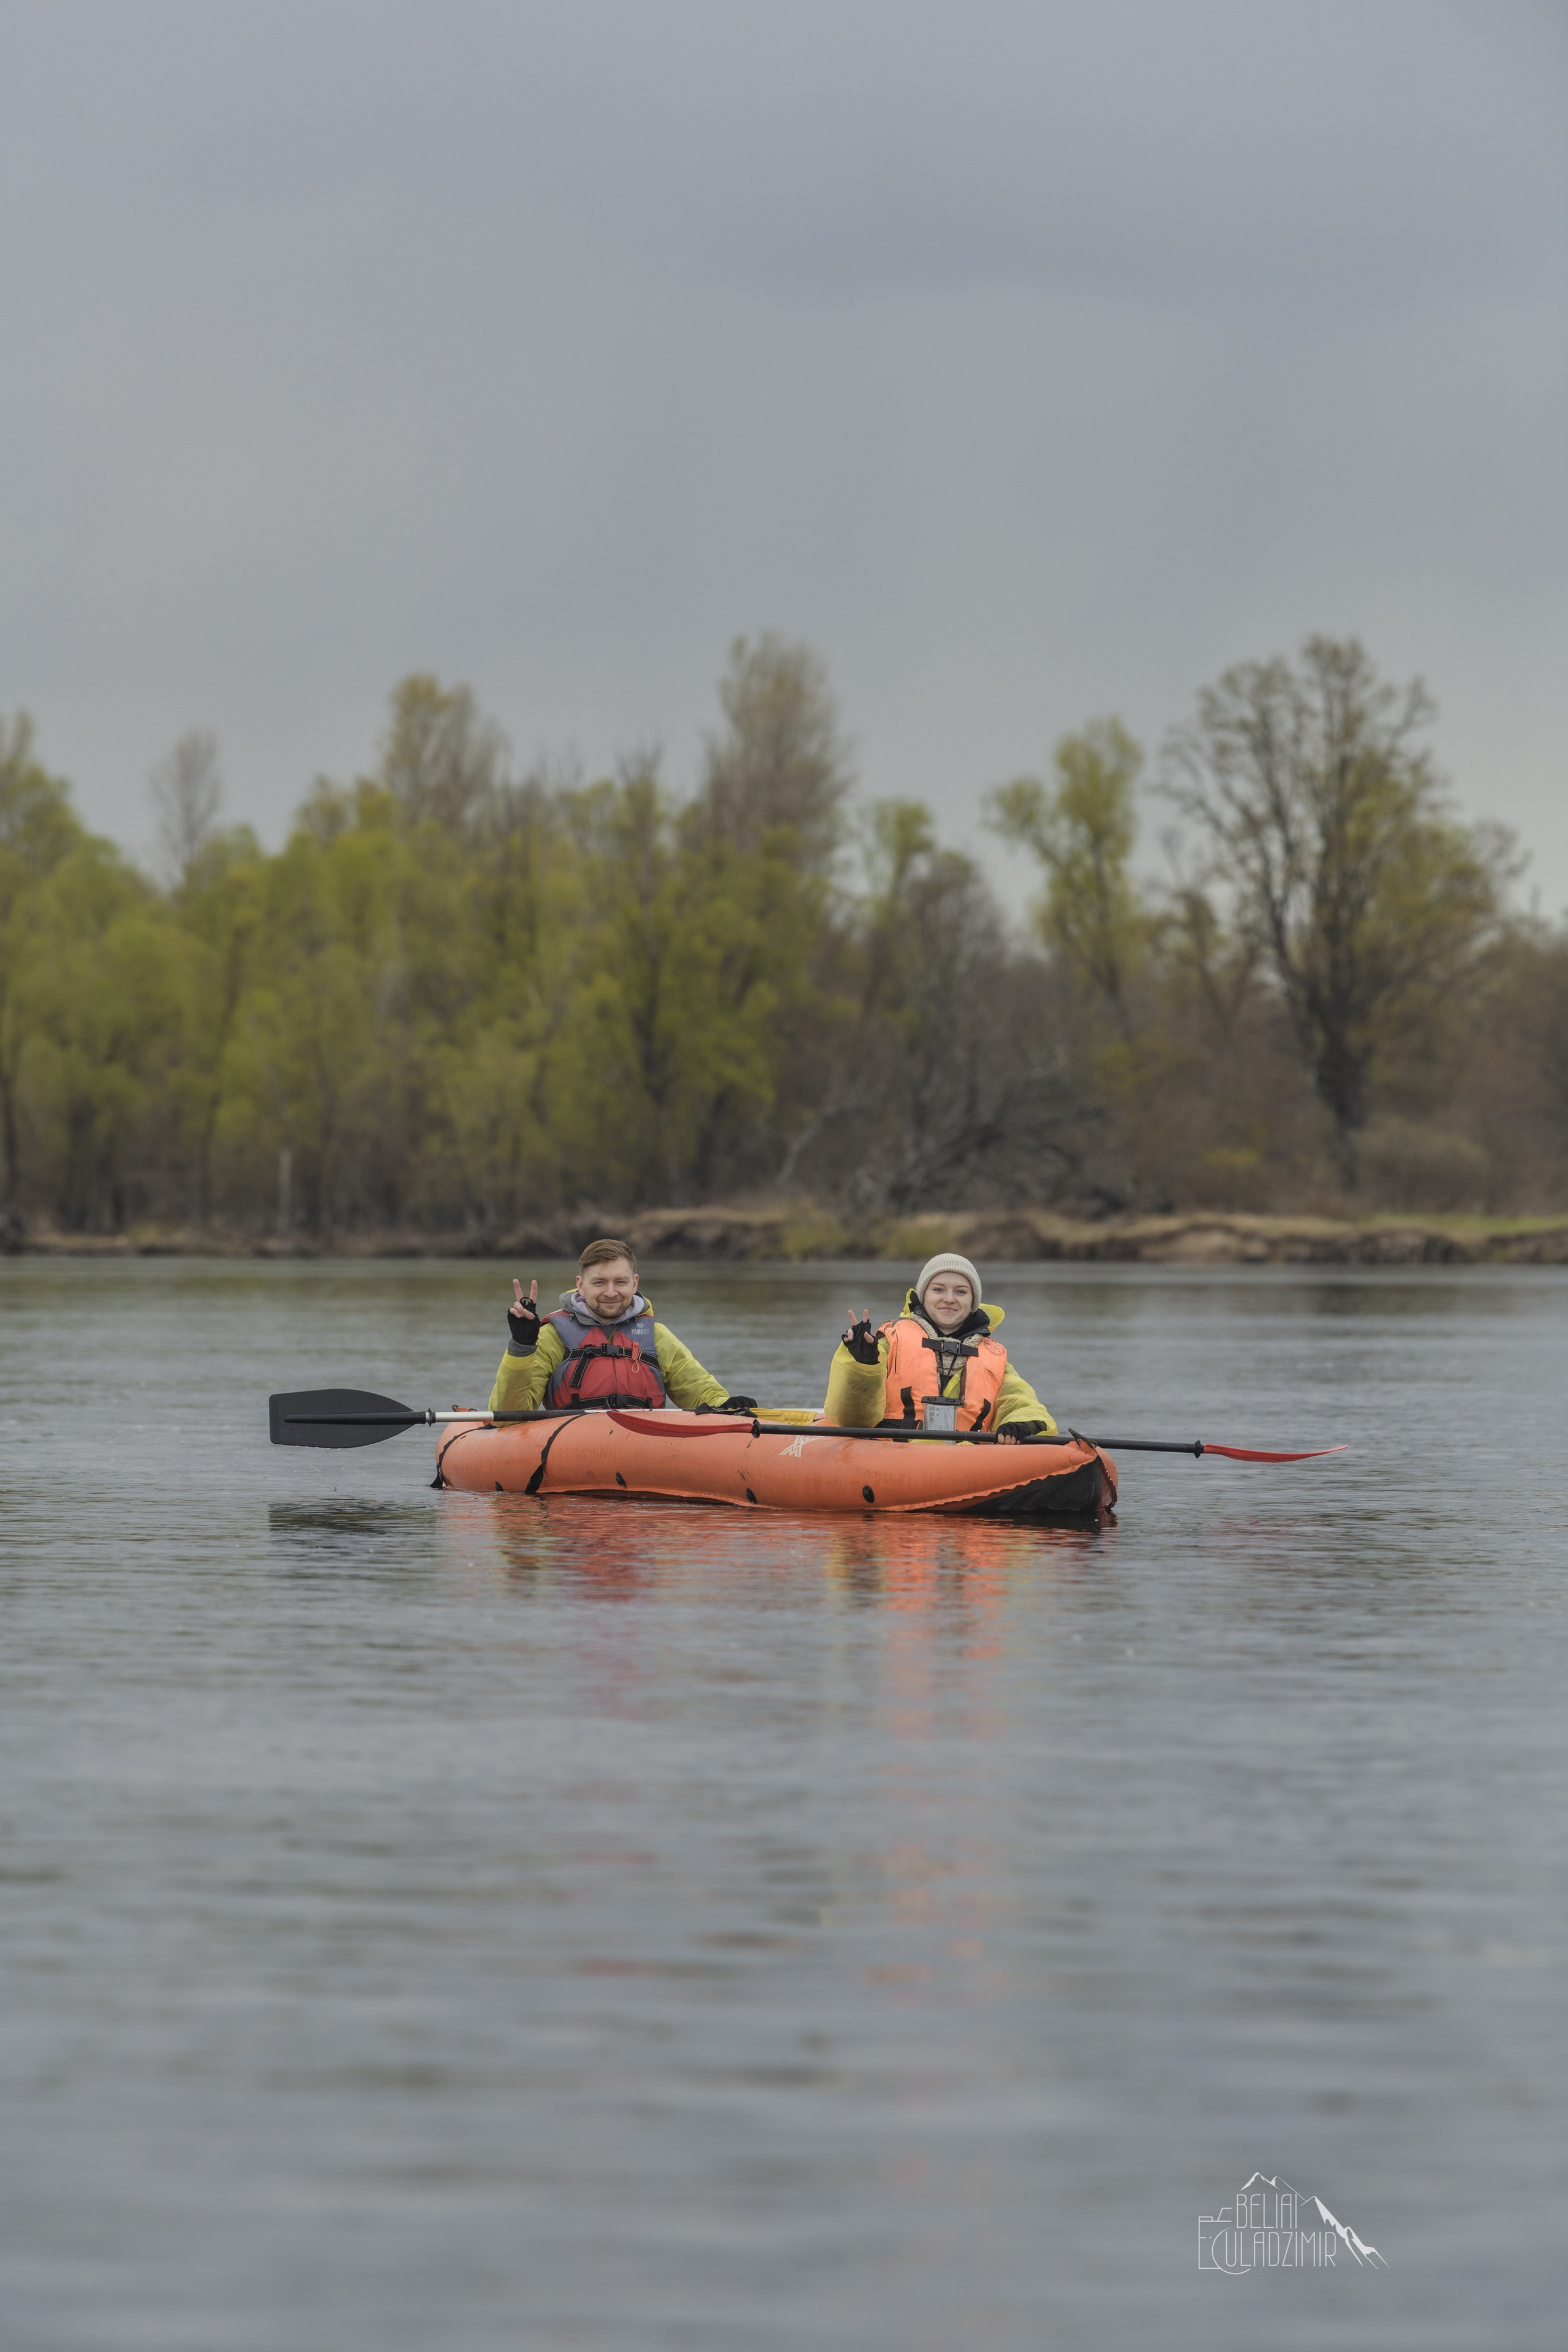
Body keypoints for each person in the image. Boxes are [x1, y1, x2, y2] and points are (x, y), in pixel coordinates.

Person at [488, 1237, 757, 1417]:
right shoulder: (550, 1338)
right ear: (581, 1285)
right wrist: (522, 1347)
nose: (611, 1292)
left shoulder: (656, 1336)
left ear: (635, 1283)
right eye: (599, 1282)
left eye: (620, 1282)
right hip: (572, 1449)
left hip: (643, 1448)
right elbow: (509, 1415)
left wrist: (726, 1406)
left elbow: (700, 1391)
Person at [823, 1252, 1056, 1442]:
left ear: (973, 1303)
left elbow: (1019, 1401)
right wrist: (863, 1364)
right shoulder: (887, 1344)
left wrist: (1021, 1424)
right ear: (924, 1296)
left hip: (969, 1459)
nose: (949, 1299)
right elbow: (852, 1418)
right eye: (938, 1290)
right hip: (892, 1455)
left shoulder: (994, 1356)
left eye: (961, 1292)